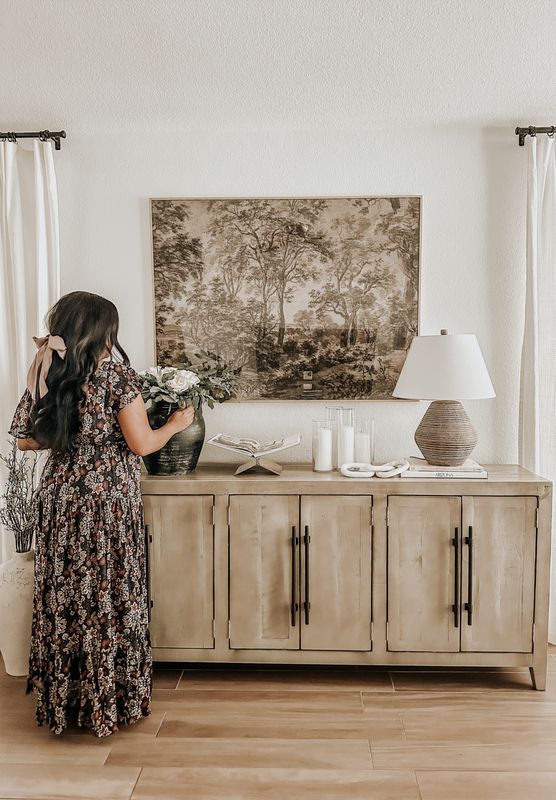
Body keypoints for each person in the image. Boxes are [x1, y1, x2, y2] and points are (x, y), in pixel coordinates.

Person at [8, 291, 194, 737]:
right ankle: (110, 699)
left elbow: (25, 439)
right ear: (102, 331)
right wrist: (174, 424)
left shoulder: (48, 370)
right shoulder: (116, 375)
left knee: (65, 595)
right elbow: (141, 444)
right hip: (107, 502)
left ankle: (66, 701)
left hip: (60, 499)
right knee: (109, 595)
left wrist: (69, 432)